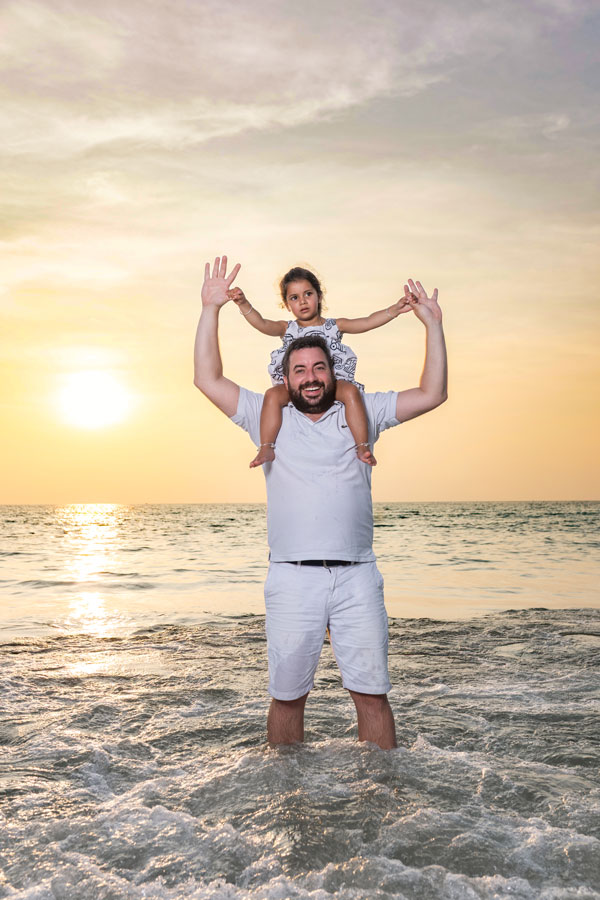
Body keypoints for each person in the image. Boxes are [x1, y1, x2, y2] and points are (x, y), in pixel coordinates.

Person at [193, 256, 448, 750]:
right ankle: (288, 801)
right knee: (287, 698)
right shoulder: (265, 416)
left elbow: (432, 393)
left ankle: (381, 805)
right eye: (299, 370)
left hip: (358, 576)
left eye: (318, 368)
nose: (310, 377)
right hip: (292, 576)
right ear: (284, 379)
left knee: (372, 696)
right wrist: (212, 309)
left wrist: (432, 325)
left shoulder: (365, 412)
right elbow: (207, 379)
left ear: (334, 370)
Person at [227, 267, 412, 468]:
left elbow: (366, 322)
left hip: (330, 383)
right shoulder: (287, 328)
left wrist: (394, 310)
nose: (303, 301)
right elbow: (262, 324)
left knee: (350, 393)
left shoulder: (334, 326)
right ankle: (266, 446)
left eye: (308, 294)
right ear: (287, 305)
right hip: (297, 386)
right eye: (294, 298)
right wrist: (243, 303)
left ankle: (361, 445)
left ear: (319, 296)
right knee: (272, 396)